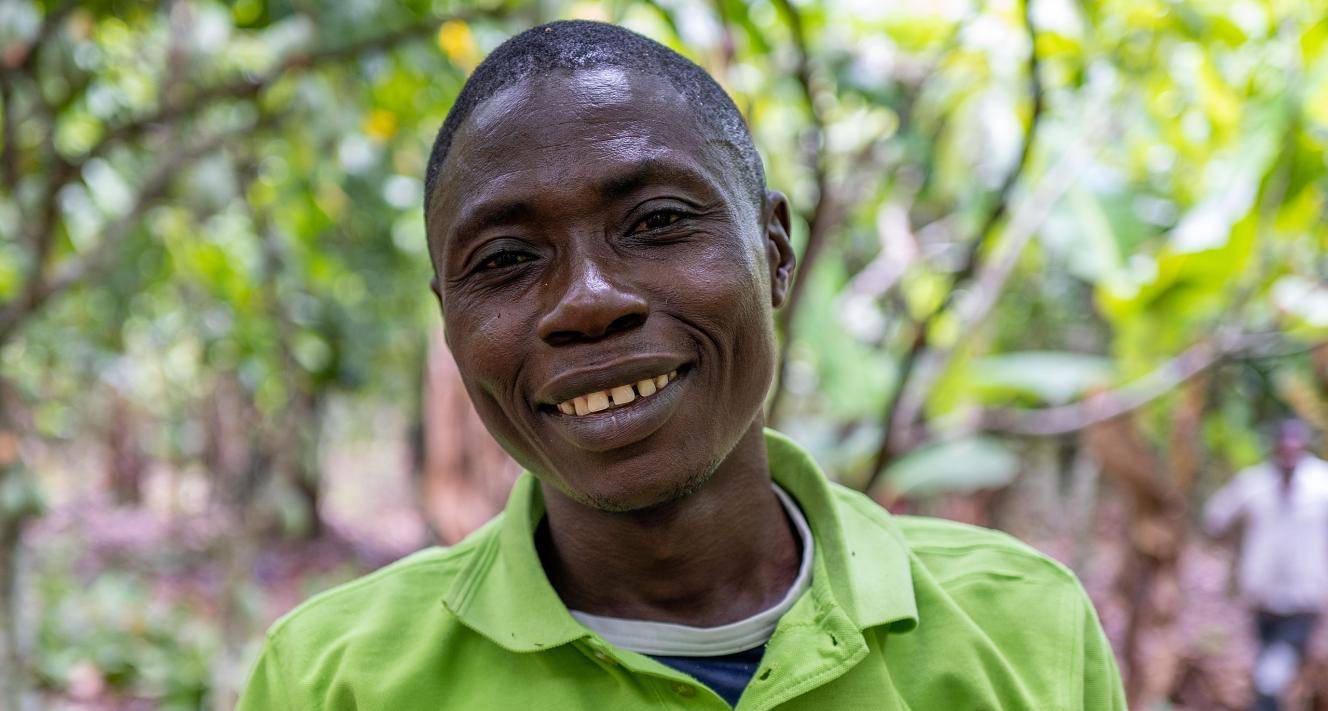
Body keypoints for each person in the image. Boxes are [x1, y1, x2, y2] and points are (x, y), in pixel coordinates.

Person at [238, 20, 1122, 709]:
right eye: (506, 259)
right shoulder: (332, 681)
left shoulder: (1025, 626)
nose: (586, 299)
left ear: (775, 251)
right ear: (450, 322)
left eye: (657, 222)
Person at [1204, 418, 1328, 711]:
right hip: (1262, 595)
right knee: (1269, 663)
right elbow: (1216, 519)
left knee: (1273, 671)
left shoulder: (1322, 484)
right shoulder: (1253, 483)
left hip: (1304, 596)